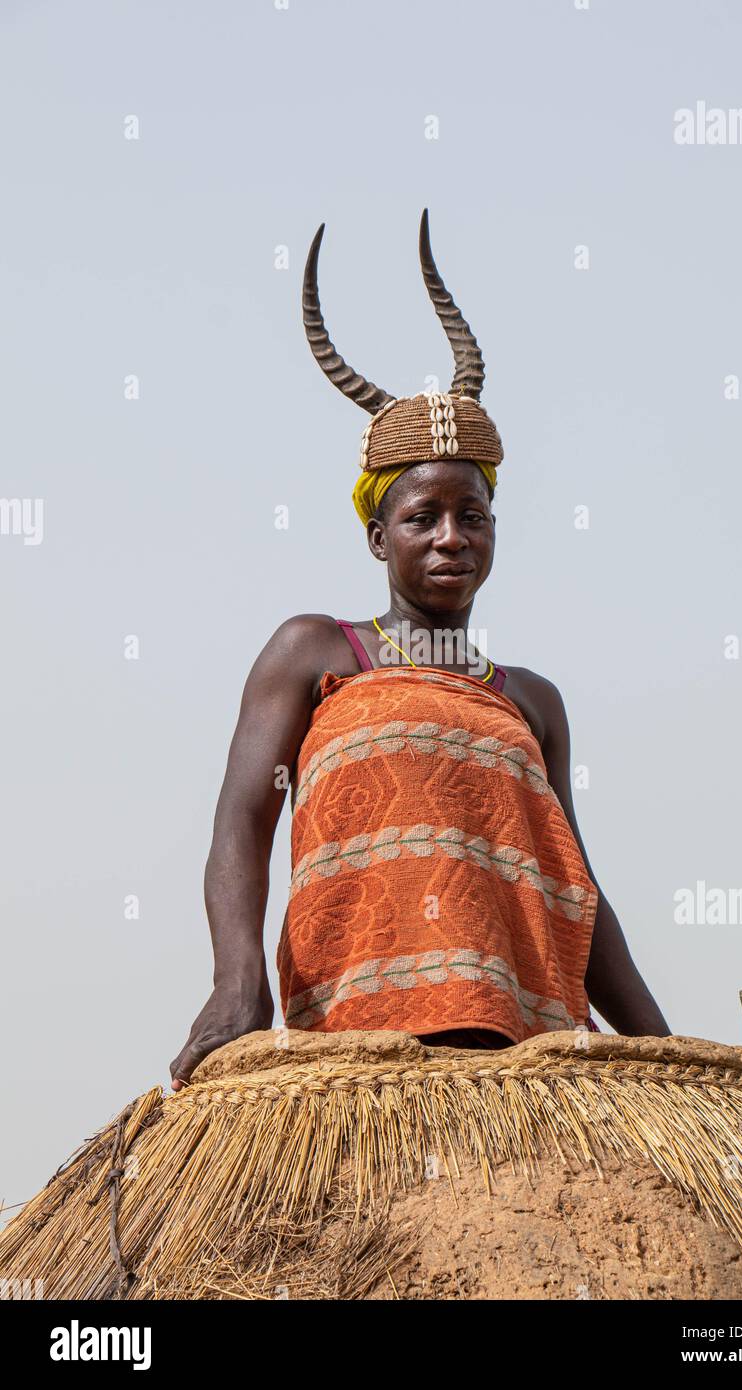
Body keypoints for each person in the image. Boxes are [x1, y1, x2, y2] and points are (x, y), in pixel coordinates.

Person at [169, 211, 670, 1090]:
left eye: (471, 517)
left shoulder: (530, 698)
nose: (450, 538)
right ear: (377, 538)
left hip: (527, 1049)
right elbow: (242, 819)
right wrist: (234, 981)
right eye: (422, 518)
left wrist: (666, 1049)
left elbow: (576, 890)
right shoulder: (315, 651)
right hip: (357, 1040)